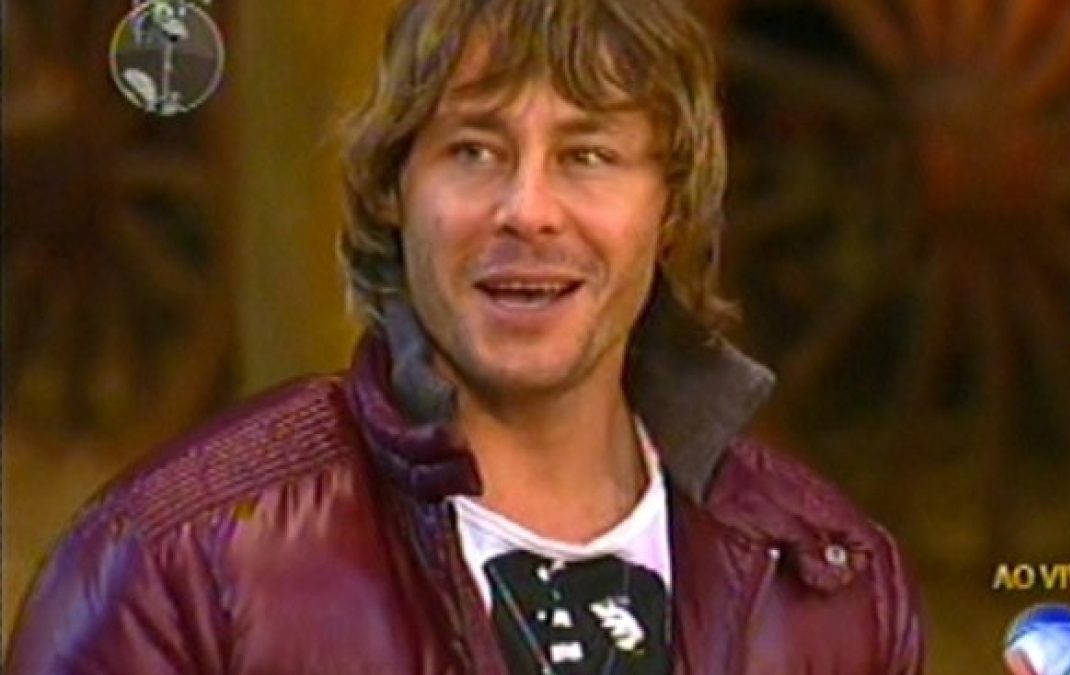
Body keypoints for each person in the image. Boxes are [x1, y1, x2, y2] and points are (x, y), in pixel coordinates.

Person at [7, 0, 924, 672]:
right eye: (474, 150)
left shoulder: (830, 587)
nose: (528, 209)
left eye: (588, 155)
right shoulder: (174, 571)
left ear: (672, 210)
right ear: (393, 192)